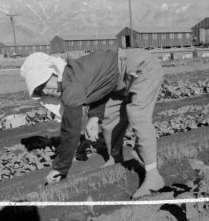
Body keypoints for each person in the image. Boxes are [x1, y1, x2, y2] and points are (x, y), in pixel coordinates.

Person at [20, 49, 165, 198]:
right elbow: (100, 87)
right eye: (40, 91)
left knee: (138, 115)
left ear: (52, 72)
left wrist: (60, 168)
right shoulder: (70, 77)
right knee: (109, 116)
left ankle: (153, 176)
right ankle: (115, 157)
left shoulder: (71, 86)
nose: (46, 90)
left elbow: (71, 132)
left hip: (139, 67)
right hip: (117, 81)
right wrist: (94, 118)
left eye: (44, 83)